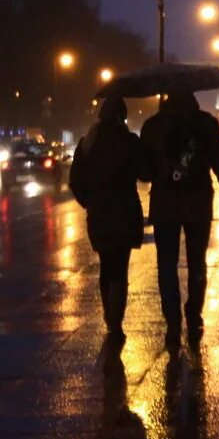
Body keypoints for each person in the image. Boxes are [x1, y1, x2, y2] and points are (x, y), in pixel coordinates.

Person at [140, 88, 219, 344]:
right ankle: (194, 314)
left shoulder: (153, 126)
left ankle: (173, 322)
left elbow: (143, 171)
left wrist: (162, 168)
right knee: (197, 262)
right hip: (198, 201)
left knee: (166, 264)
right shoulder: (206, 124)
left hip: (165, 203)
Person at [69, 96, 151, 345]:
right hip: (124, 211)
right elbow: (146, 173)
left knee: (106, 265)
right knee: (119, 266)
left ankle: (110, 317)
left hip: (99, 213)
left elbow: (75, 181)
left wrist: (90, 202)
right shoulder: (128, 141)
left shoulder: (87, 144)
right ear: (122, 117)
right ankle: (115, 319)